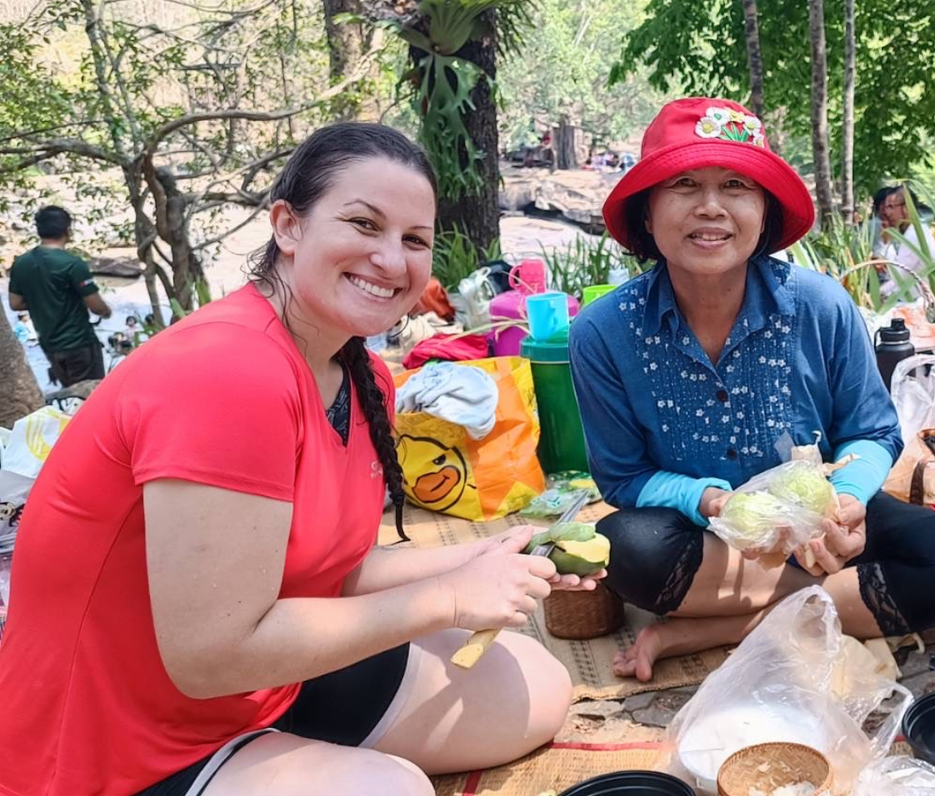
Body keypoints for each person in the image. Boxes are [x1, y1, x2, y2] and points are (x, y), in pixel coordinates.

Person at [0, 124, 588, 796]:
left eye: (414, 240)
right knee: (388, 790)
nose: (392, 261)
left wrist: (482, 558)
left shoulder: (362, 375)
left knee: (537, 689)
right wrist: (447, 599)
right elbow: (211, 654)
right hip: (121, 735)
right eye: (363, 224)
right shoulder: (229, 372)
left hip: (265, 684)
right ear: (288, 226)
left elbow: (330, 569)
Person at [570, 98, 935, 682]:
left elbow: (872, 432)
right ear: (647, 213)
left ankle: (722, 626)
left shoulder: (820, 304)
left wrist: (841, 504)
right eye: (683, 185)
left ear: (764, 211)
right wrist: (708, 501)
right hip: (709, 541)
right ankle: (825, 600)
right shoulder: (603, 331)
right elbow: (624, 478)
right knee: (625, 550)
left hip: (823, 523)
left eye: (734, 185)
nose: (710, 207)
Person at [7, 205, 113, 387]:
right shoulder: (72, 264)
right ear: (67, 230)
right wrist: (107, 312)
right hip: (79, 343)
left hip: (50, 346)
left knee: (71, 393)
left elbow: (15, 304)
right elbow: (96, 306)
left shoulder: (21, 264)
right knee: (91, 396)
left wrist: (42, 300)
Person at [870, 183, 935, 299]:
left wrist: (873, 296)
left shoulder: (915, 235)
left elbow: (899, 276)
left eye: (891, 207)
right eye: (885, 208)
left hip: (922, 302)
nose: (887, 213)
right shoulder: (908, 232)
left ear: (906, 208)